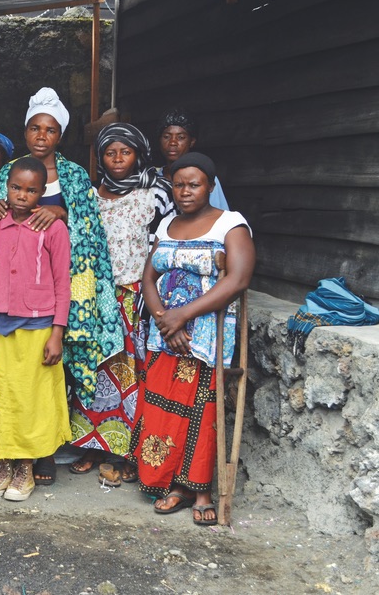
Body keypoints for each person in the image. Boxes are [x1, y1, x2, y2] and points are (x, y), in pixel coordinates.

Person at [0, 87, 122, 486]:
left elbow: (90, 229)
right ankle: (15, 454)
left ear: (60, 135)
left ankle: (46, 452)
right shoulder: (6, 175)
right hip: (14, 292)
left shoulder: (73, 176)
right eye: (35, 128)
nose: (41, 136)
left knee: (54, 371)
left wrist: (61, 211)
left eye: (50, 130)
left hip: (68, 284)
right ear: (25, 131)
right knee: (17, 380)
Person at [129, 152, 254, 526]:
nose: (185, 191)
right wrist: (166, 319)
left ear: (211, 187)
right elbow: (148, 278)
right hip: (166, 334)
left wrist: (184, 315)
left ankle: (200, 490)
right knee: (164, 407)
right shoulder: (167, 224)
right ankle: (173, 484)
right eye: (178, 184)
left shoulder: (230, 224)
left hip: (203, 336)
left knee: (202, 410)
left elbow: (238, 279)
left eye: (194, 184)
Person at [68, 123, 171, 484]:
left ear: (138, 154)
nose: (117, 159)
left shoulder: (155, 194)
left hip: (133, 295)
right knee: (94, 368)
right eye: (110, 153)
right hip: (96, 296)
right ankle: (90, 445)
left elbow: (165, 245)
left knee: (128, 372)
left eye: (124, 152)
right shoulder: (91, 195)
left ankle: (124, 450)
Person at [0, 157, 71, 502]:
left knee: (31, 398)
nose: (21, 195)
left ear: (42, 193)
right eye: (16, 187)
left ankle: (25, 469)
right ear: (7, 187)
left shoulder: (53, 228)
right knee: (5, 395)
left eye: (31, 190)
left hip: (38, 325)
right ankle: (4, 465)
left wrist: (57, 332)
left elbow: (63, 284)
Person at [156, 108, 229, 211]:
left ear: (192, 142)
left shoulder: (204, 177)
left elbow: (219, 218)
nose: (173, 142)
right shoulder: (152, 178)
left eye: (181, 137)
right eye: (167, 136)